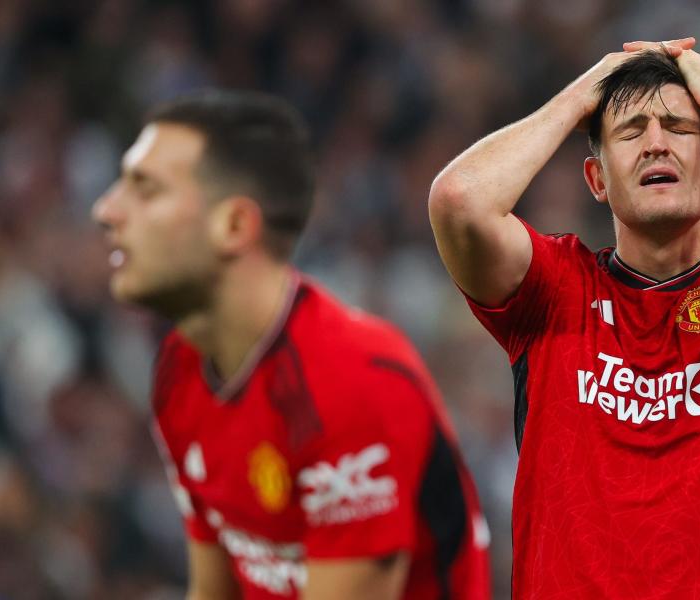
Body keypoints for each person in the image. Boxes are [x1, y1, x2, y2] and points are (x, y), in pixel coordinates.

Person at [428, 37, 700, 599]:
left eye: (679, 128)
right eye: (630, 133)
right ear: (597, 181)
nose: (655, 144)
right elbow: (458, 199)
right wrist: (583, 94)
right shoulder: (555, 291)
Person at [93, 90, 490, 600]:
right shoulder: (180, 368)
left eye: (145, 190)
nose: (107, 210)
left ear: (234, 225)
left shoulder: (353, 381)